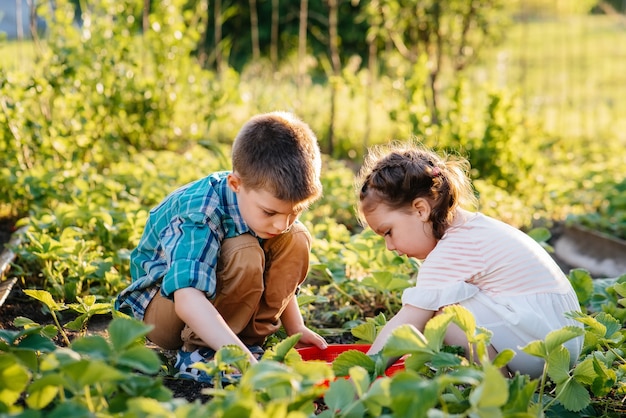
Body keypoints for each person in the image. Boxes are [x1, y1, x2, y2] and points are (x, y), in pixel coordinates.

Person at [115, 111, 328, 383]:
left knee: (296, 238)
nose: (281, 224)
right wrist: (242, 362)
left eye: (294, 211)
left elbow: (279, 256)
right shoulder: (201, 210)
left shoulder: (265, 208)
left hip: (212, 303)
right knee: (245, 251)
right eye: (270, 213)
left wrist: (295, 326)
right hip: (164, 310)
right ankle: (201, 353)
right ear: (236, 184)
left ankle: (245, 343)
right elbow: (187, 297)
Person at [355, 141, 582, 378]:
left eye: (388, 232)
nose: (390, 247)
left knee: (445, 315)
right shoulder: (473, 228)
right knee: (446, 307)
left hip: (544, 348)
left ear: (421, 210)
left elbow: (409, 322)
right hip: (563, 340)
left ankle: (498, 388)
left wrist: (366, 373)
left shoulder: (453, 249)